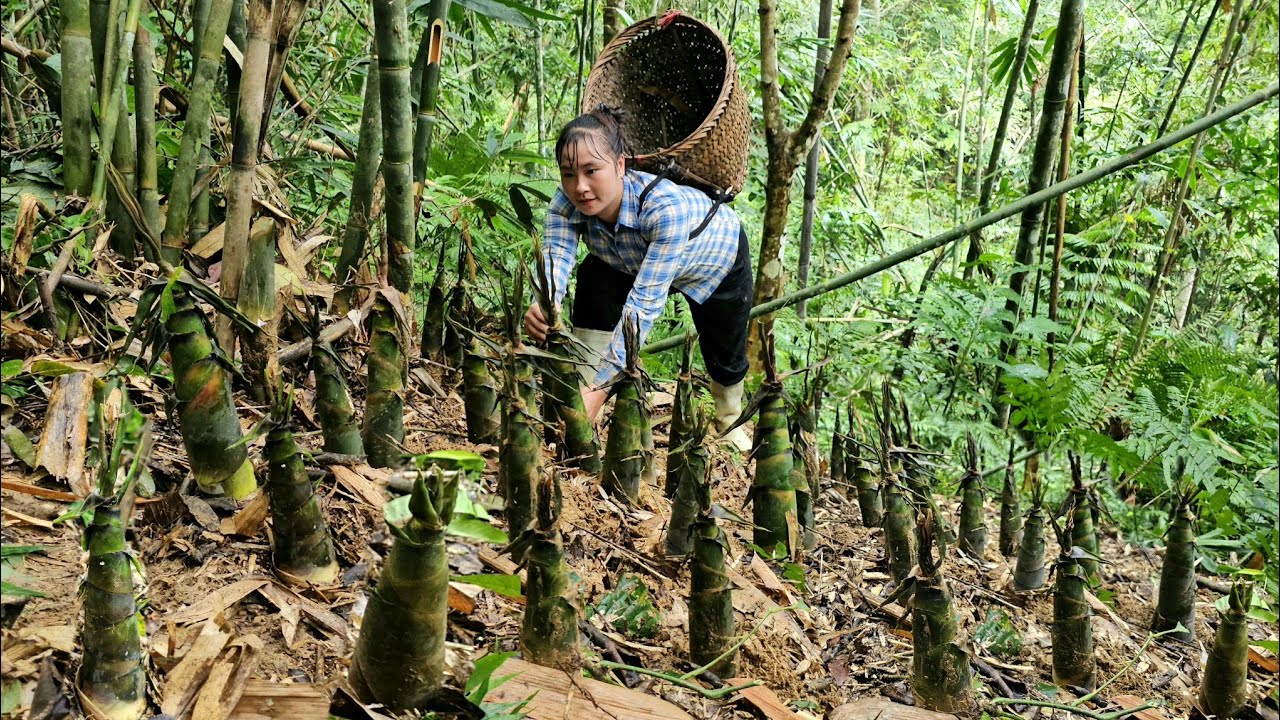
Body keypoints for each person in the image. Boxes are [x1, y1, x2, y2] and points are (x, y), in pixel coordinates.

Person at [524, 105, 753, 451]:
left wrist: (601, 394)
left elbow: (641, 309)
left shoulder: (663, 209)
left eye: (591, 171)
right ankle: (585, 385)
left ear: (619, 166)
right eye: (569, 174)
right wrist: (545, 303)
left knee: (724, 346)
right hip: (627, 258)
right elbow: (556, 256)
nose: (580, 187)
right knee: (593, 281)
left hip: (715, 259)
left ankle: (728, 421)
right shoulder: (565, 203)